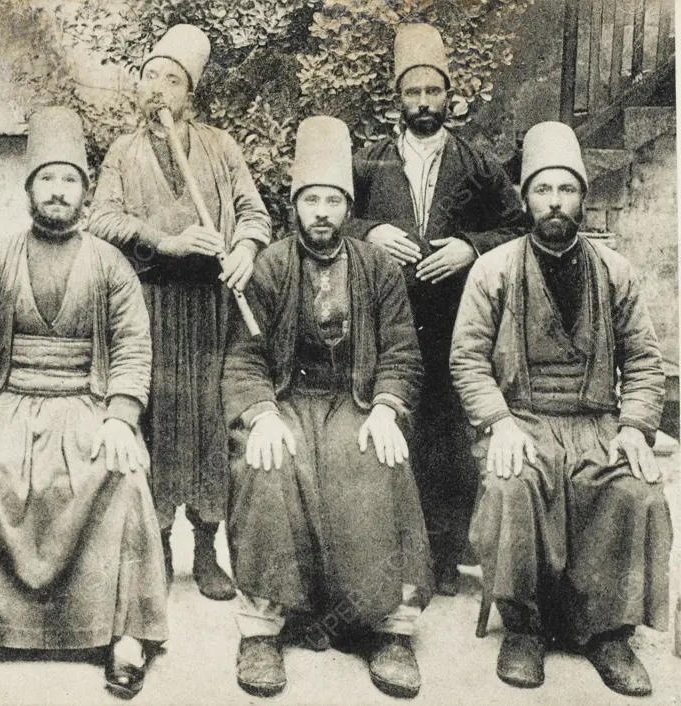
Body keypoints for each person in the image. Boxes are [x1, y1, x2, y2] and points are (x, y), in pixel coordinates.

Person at [0, 107, 168, 700]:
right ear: (29, 190)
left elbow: (132, 346)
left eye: (68, 180)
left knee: (120, 474)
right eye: (46, 179)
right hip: (8, 398)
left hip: (85, 400)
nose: (57, 190)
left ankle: (125, 635)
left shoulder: (111, 263)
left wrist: (123, 416)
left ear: (85, 191)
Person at [450, 121, 672, 696]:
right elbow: (467, 361)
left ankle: (608, 632)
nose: (554, 202)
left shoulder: (614, 271)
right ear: (525, 199)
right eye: (542, 190)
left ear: (582, 196)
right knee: (511, 485)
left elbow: (646, 363)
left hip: (597, 422)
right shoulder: (493, 269)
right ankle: (523, 627)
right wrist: (496, 422)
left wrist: (634, 427)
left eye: (566, 190)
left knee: (635, 490)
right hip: (520, 418)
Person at [222, 116, 431, 699]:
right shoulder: (269, 265)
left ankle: (388, 625)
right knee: (268, 466)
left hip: (355, 399)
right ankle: (262, 627)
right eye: (310, 199)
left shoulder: (377, 267)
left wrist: (388, 409)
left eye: (333, 200)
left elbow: (401, 352)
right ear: (294, 205)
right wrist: (260, 413)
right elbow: (244, 359)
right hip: (288, 398)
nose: (321, 211)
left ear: (347, 206)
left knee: (376, 462)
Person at [90, 24, 272, 600]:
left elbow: (253, 211)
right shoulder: (123, 151)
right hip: (150, 304)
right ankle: (160, 547)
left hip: (212, 307)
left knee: (210, 422)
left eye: (173, 79)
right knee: (159, 420)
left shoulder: (220, 146)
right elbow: (102, 219)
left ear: (189, 94)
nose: (159, 89)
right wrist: (162, 241)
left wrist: (243, 248)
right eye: (151, 76)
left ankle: (207, 548)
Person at [352, 23, 530, 595]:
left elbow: (519, 225)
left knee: (446, 434)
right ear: (397, 98)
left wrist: (469, 248)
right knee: (386, 423)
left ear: (449, 96)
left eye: (433, 92)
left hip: (453, 320)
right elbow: (321, 215)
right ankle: (391, 553)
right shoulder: (369, 162)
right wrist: (372, 231)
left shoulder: (476, 163)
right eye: (412, 93)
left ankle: (446, 555)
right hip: (385, 319)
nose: (423, 104)